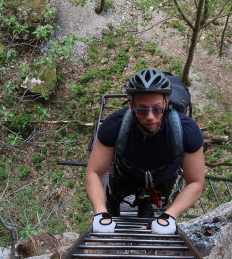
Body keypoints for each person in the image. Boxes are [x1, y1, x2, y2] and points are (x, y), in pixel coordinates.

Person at [85, 69, 205, 234]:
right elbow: (94, 172)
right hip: (126, 175)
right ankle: (113, 204)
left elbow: (196, 181)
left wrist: (169, 216)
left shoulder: (186, 131)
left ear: (166, 104)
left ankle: (145, 207)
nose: (150, 117)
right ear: (132, 106)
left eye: (156, 109)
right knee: (114, 196)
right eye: (142, 110)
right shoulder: (115, 126)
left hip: (161, 181)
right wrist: (100, 212)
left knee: (149, 207)